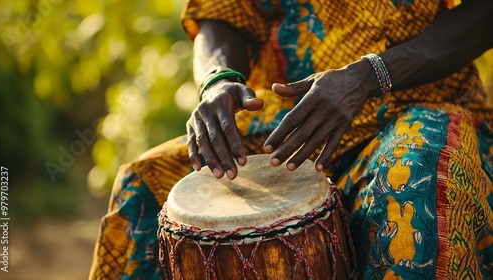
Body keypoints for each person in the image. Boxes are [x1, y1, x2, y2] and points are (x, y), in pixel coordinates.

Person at [89, 0, 493, 278]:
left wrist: (369, 76)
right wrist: (218, 81)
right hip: (287, 116)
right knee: (142, 183)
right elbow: (220, 14)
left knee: (420, 184)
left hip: (419, 101)